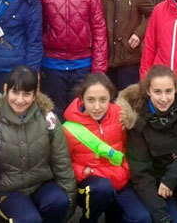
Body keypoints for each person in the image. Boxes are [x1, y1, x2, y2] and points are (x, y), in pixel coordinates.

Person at [0, 66, 76, 223]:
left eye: (26, 94)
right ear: (6, 89)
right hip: (9, 193)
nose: (20, 99)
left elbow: (62, 165)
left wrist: (69, 206)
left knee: (59, 201)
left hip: (42, 185)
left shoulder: (48, 119)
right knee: (29, 219)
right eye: (15, 92)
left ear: (35, 95)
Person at [120, 65, 177, 223]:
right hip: (154, 184)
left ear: (175, 89)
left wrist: (171, 178)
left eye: (168, 91)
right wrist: (161, 215)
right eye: (157, 92)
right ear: (148, 91)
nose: (163, 98)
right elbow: (141, 174)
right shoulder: (136, 119)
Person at [63, 73, 151, 223]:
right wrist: (82, 172)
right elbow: (62, 162)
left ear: (110, 97)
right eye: (90, 100)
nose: (97, 107)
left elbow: (128, 148)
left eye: (103, 100)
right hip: (92, 185)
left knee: (142, 218)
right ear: (81, 98)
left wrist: (126, 170)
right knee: (103, 189)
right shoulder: (69, 128)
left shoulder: (120, 115)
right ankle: (89, 219)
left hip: (119, 180)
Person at [38, 0, 108, 120]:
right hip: (52, 64)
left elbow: (98, 27)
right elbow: (37, 27)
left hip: (82, 64)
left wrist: (99, 69)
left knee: (81, 116)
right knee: (54, 116)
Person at [98, 0, 154, 91]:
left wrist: (139, 33)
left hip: (128, 58)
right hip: (103, 56)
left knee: (126, 105)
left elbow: (153, 15)